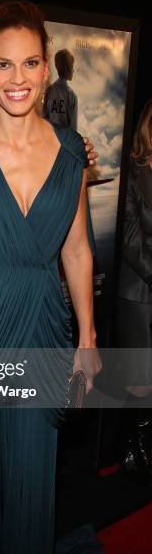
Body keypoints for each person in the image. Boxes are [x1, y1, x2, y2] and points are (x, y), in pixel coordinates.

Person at [0, 1, 100, 554]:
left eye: (30, 63)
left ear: (44, 67)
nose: (17, 79)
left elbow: (77, 249)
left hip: (43, 329)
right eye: (3, 65)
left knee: (35, 479)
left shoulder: (71, 152)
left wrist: (87, 334)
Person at [116, 98, 152, 480]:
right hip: (139, 290)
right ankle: (131, 448)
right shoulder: (134, 168)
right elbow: (127, 231)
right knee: (140, 380)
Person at [43, 48, 78, 130]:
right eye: (71, 66)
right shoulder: (71, 95)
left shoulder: (49, 91)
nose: (73, 70)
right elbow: (73, 130)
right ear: (68, 68)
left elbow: (43, 119)